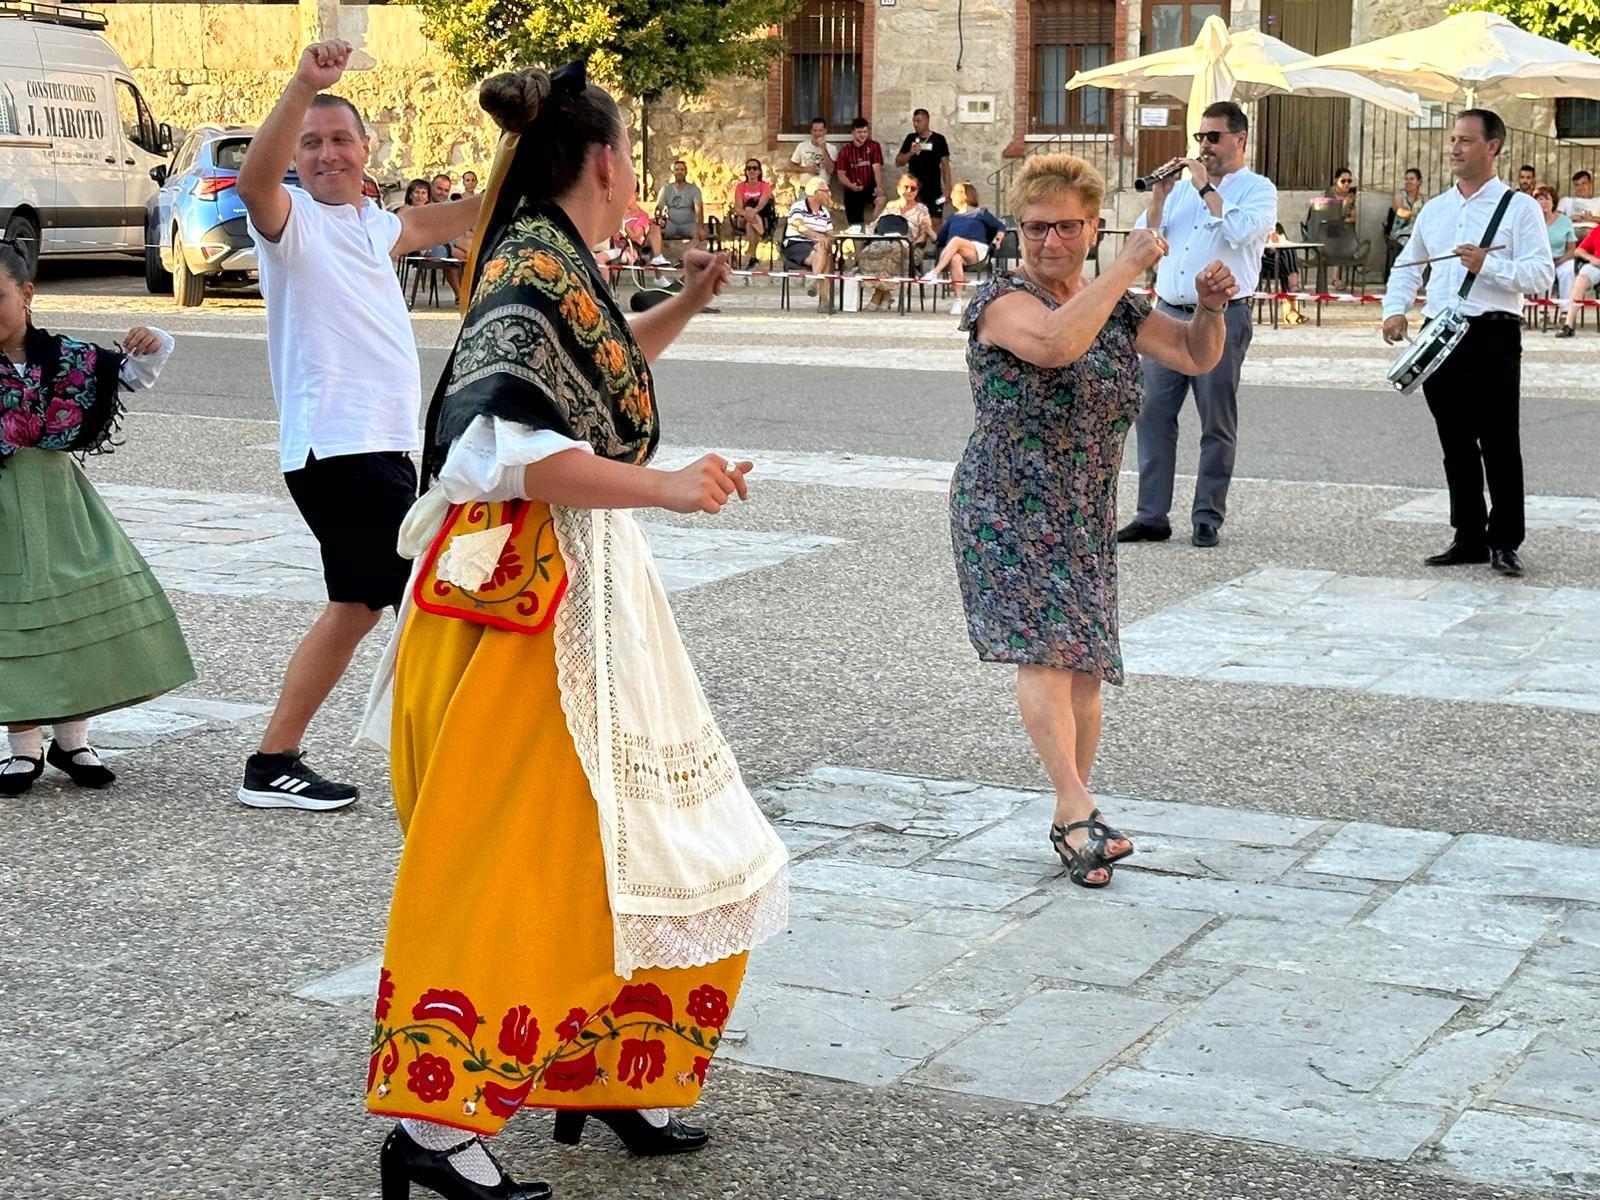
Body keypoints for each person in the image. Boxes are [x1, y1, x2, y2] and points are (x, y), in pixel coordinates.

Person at [357, 60, 788, 1199]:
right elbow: (495, 451)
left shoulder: (550, 256)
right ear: (608, 162)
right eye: (632, 156)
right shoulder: (534, 261)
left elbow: (579, 383)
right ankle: (435, 1127)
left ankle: (612, 1072)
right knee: (516, 852)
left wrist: (687, 301)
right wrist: (670, 486)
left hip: (570, 590)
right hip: (525, 609)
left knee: (635, 831)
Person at [950, 152, 1234, 888]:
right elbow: (1054, 345)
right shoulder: (1002, 301)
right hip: (1008, 504)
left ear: (1092, 227)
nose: (1051, 242)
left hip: (1082, 510)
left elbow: (1195, 357)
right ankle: (1078, 811)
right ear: (1017, 229)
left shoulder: (1116, 304)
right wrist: (1124, 268)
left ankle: (1074, 822)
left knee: (1085, 670)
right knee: (1045, 652)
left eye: (1067, 227)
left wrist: (1208, 305)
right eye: (1038, 228)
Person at [234, 39, 482, 810]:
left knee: (360, 605)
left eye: (340, 139)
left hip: (378, 449)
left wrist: (531, 141)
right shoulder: (292, 223)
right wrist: (304, 81)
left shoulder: (375, 226)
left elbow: (477, 209)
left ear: (368, 151)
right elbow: (253, 181)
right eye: (311, 142)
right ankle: (452, 761)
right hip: (336, 447)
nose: (326, 153)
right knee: (426, 597)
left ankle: (274, 759)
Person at [0, 241, 193, 796]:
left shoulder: (66, 359)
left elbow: (129, 372)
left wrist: (154, 341)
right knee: (13, 623)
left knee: (73, 613)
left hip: (60, 501)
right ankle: (23, 747)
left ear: (27, 294)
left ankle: (74, 739)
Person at [1383, 109, 1553, 578]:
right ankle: (1468, 536)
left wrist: (1488, 266)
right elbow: (1407, 266)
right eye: (1453, 139)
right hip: (1440, 335)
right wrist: (1393, 311)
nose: (1455, 148)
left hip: (1493, 332)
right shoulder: (1436, 209)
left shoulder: (1518, 208)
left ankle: (1505, 541)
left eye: (1466, 140)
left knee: (1499, 439)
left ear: (1492, 147)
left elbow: (1541, 275)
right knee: (1454, 440)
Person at [1117, 101, 1276, 550]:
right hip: (1167, 311)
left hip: (1221, 315)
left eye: (1213, 137)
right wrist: (1160, 196)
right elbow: (1145, 241)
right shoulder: (1182, 191)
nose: (1204, 146)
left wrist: (1207, 189)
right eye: (1200, 138)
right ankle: (1151, 515)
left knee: (1215, 420)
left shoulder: (1258, 189)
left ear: (1239, 140)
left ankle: (1207, 516)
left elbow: (1241, 233)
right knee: (1152, 415)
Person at [921, 182, 1004, 315]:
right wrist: (928, 229)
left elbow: (1000, 227)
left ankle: (935, 272)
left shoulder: (981, 213)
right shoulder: (953, 217)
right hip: (957, 250)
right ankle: (958, 300)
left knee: (956, 240)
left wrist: (997, 240)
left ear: (964, 195)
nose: (951, 196)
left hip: (977, 251)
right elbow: (939, 240)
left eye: (954, 193)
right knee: (955, 258)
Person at [858, 174, 933, 311]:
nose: (909, 191)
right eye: (906, 187)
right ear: (898, 188)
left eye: (913, 188)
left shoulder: (922, 209)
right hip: (884, 242)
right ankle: (885, 296)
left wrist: (912, 245)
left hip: (909, 246)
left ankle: (877, 296)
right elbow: (877, 225)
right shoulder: (891, 206)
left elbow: (925, 234)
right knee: (867, 252)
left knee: (893, 253)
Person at [784, 176, 836, 305]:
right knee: (826, 260)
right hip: (796, 243)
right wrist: (819, 236)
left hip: (816, 247)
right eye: (825, 191)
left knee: (823, 248)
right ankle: (824, 301)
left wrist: (826, 239)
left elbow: (830, 233)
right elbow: (799, 226)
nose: (828, 194)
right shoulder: (799, 206)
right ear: (815, 193)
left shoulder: (824, 212)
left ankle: (814, 281)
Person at [897, 108, 952, 226]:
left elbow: (945, 165)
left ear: (927, 121)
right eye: (914, 122)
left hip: (933, 189)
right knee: (914, 221)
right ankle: (916, 244)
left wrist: (948, 188)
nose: (916, 124)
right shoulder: (910, 138)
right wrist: (910, 153)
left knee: (935, 222)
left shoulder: (939, 139)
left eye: (918, 121)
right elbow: (898, 162)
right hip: (914, 189)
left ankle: (936, 244)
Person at [1534, 184, 1578, 317]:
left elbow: (1572, 249)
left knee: (1568, 270)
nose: (1544, 202)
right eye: (1540, 199)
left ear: (1553, 202)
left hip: (1561, 259)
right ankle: (1542, 312)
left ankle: (1566, 311)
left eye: (1547, 199)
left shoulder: (1565, 222)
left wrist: (1562, 260)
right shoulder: (1532, 221)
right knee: (1541, 270)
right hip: (1540, 259)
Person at [834, 116, 885, 229]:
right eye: (859, 132)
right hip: (852, 188)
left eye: (865, 132)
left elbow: (877, 168)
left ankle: (873, 228)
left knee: (881, 199)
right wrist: (851, 185)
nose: (863, 135)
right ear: (853, 133)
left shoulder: (874, 146)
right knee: (855, 226)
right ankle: (859, 244)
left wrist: (879, 187)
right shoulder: (845, 150)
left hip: (869, 186)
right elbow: (841, 174)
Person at [1553, 222, 1600, 338]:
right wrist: (1591, 258)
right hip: (1597, 265)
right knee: (1581, 278)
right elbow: (1578, 251)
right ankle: (1569, 325)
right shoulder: (1597, 230)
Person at [728, 158, 776, 271]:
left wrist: (753, 212)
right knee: (748, 210)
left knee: (750, 225)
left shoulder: (764, 186)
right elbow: (738, 207)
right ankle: (763, 234)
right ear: (745, 171)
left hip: (760, 217)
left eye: (755, 168)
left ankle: (753, 258)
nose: (752, 171)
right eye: (749, 168)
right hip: (743, 218)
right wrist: (747, 213)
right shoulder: (740, 187)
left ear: (759, 171)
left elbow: (762, 203)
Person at [655, 158, 705, 252]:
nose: (679, 172)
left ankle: (684, 258)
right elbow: (658, 208)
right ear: (673, 172)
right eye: (677, 170)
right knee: (654, 233)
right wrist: (659, 219)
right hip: (671, 224)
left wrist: (700, 226)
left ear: (686, 172)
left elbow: (699, 210)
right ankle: (656, 258)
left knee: (698, 235)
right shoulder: (666, 189)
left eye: (682, 170)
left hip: (688, 224)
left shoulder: (694, 190)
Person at [1261, 223, 1304, 326]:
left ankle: (1291, 314)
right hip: (1260, 262)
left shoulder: (1276, 227)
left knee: (1287, 254)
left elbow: (1283, 243)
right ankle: (1293, 288)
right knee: (1287, 260)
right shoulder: (1258, 227)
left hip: (1276, 261)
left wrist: (1276, 244)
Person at [1387, 167, 1426, 273]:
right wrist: (1418, 214)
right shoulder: (1399, 196)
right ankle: (1404, 273)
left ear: (1419, 182)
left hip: (1418, 233)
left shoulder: (1424, 199)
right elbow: (1400, 211)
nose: (1408, 182)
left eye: (1412, 179)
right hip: (1401, 233)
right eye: (1406, 179)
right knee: (1409, 244)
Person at [790, 116, 834, 181]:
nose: (817, 134)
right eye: (815, 130)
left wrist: (823, 149)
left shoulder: (831, 148)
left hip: (822, 188)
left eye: (820, 130)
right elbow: (792, 167)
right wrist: (806, 169)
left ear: (825, 131)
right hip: (804, 187)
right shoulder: (802, 146)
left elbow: (831, 170)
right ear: (811, 131)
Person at [1558, 169, 1598, 238]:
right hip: (1572, 231)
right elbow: (1556, 221)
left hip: (1592, 232)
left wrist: (1591, 218)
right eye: (1577, 185)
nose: (1581, 187)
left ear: (1590, 184)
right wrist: (1570, 219)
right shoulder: (1566, 200)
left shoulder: (1598, 201)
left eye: (1583, 183)